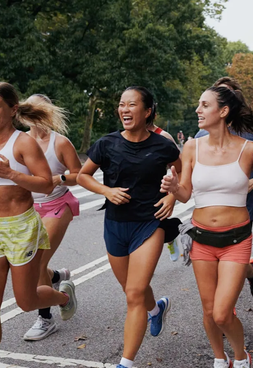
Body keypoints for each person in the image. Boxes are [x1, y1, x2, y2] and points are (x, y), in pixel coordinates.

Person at [0, 82, 77, 368]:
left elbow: (46, 184)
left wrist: (11, 172)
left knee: (26, 301)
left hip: (21, 228)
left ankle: (62, 296)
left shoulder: (24, 143)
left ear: (12, 110)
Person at [161, 85, 253, 368]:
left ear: (223, 112)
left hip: (236, 240)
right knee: (209, 310)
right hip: (202, 239)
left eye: (204, 105)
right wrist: (174, 187)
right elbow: (186, 193)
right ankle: (219, 358)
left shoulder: (250, 149)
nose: (197, 110)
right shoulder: (191, 147)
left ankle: (240, 356)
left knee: (223, 313)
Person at [77, 86, 181, 368]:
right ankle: (156, 309)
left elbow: (181, 171)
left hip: (150, 223)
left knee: (134, 293)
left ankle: (125, 362)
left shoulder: (163, 146)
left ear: (147, 112)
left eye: (132, 104)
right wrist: (106, 191)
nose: (124, 109)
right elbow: (82, 176)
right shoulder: (107, 144)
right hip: (115, 225)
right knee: (133, 290)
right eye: (121, 104)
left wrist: (172, 195)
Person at [194, 77, 253, 300]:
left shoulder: (251, 135)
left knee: (230, 266)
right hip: (207, 216)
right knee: (217, 268)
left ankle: (227, 308)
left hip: (240, 211)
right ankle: (249, 274)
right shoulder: (201, 135)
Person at [22, 94, 82, 341]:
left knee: (35, 262)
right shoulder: (20, 141)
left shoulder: (61, 143)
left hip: (58, 204)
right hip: (30, 208)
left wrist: (60, 178)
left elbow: (80, 174)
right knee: (27, 262)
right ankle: (57, 277)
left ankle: (45, 319)